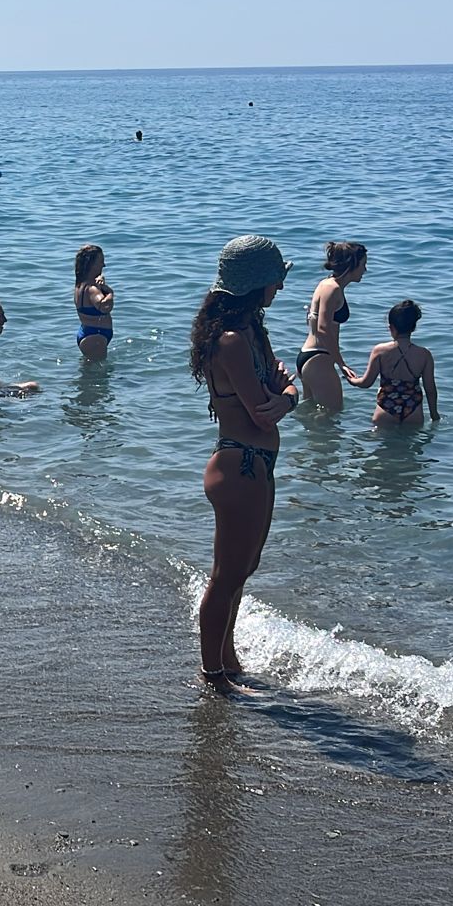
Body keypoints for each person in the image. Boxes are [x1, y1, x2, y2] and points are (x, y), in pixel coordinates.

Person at [190, 235, 298, 694]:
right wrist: (286, 397)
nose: (279, 287)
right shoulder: (231, 341)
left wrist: (285, 394)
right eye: (274, 279)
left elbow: (282, 388)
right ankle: (213, 675)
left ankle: (228, 660)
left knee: (244, 569)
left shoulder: (253, 329)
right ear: (255, 284)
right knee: (226, 576)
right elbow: (264, 411)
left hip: (255, 464)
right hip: (239, 466)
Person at [295, 241, 368, 412]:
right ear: (352, 265)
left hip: (310, 357)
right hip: (318, 358)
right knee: (331, 415)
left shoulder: (327, 284)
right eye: (363, 264)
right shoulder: (332, 289)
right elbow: (323, 329)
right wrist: (341, 364)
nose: (365, 270)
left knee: (312, 415)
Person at [344, 300, 439, 425]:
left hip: (386, 408)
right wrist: (434, 415)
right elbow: (430, 390)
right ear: (413, 327)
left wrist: (351, 379)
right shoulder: (424, 354)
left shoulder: (380, 351)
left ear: (391, 327)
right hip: (413, 410)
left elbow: (366, 383)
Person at [74, 244, 114, 360]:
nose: (104, 265)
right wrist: (110, 292)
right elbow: (105, 306)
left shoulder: (80, 286)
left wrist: (101, 283)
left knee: (89, 368)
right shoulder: (91, 289)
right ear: (91, 264)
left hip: (89, 333)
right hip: (96, 337)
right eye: (101, 261)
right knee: (99, 371)